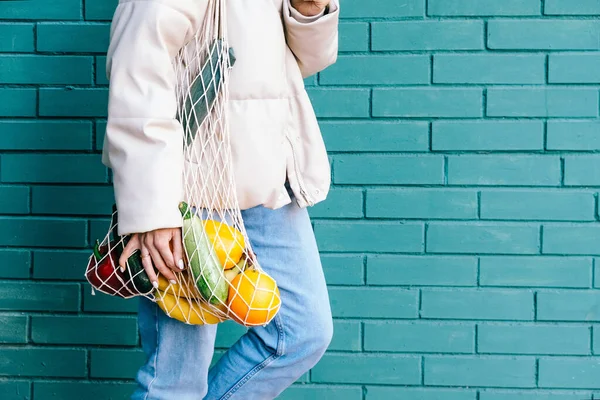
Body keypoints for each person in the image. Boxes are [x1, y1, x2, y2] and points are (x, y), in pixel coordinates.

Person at [101, 0, 340, 398]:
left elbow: (305, 60)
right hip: (188, 191)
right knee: (175, 380)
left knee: (301, 332)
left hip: (263, 182)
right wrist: (155, 211)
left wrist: (309, 9)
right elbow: (138, 72)